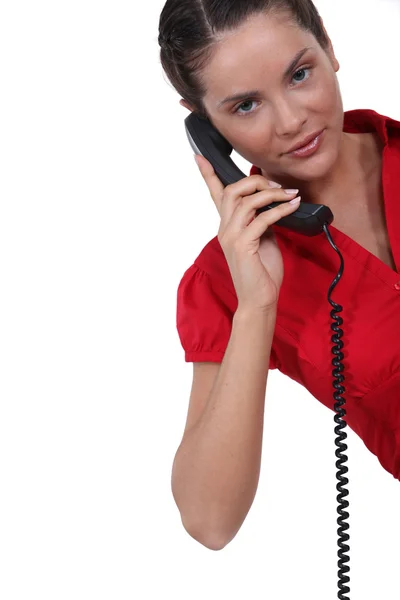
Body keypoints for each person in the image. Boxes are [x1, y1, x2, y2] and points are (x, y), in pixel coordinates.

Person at [158, 0, 400, 549]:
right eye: (245, 105)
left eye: (299, 74)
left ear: (329, 48)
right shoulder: (227, 278)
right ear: (204, 125)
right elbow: (210, 521)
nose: (291, 121)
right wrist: (257, 306)